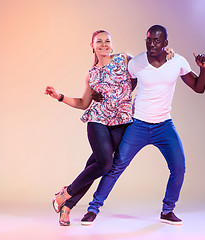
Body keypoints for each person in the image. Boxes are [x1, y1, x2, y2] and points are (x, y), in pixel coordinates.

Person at [81, 25, 205, 226]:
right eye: (148, 40)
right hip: (138, 125)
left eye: (157, 41)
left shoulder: (177, 61)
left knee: (179, 168)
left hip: (164, 126)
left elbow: (198, 88)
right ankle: (93, 209)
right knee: (115, 167)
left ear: (165, 43)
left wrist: (203, 69)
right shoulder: (137, 62)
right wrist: (100, 95)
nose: (151, 44)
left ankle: (168, 211)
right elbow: (121, 85)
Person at [44, 30, 135, 226]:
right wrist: (59, 96)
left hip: (121, 122)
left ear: (112, 43)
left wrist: (167, 54)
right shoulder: (92, 74)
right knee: (104, 164)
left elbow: (145, 68)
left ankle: (67, 207)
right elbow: (84, 103)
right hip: (97, 119)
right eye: (99, 41)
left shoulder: (125, 59)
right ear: (92, 46)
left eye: (108, 41)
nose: (104, 44)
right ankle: (64, 194)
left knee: (93, 167)